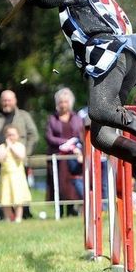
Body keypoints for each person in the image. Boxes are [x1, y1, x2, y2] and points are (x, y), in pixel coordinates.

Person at [31, 0, 136, 200]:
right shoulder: (110, 3)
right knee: (101, 136)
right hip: (129, 61)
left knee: (100, 110)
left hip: (108, 54)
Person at [0, 89, 39, 219]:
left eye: (9, 100)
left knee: (21, 189)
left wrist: (26, 153)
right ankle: (7, 217)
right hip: (0, 160)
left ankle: (24, 215)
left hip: (19, 162)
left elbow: (34, 135)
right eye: (4, 100)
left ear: (15, 101)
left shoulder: (24, 116)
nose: (6, 103)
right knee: (4, 189)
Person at [45, 88, 84, 217]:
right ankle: (60, 210)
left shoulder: (77, 118)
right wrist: (65, 143)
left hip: (73, 157)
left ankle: (72, 209)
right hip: (58, 156)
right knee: (59, 183)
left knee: (73, 183)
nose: (63, 105)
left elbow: (81, 136)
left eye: (66, 102)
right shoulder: (52, 119)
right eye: (61, 102)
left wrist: (73, 146)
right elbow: (49, 137)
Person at [0, 125, 31, 222]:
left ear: (18, 135)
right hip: (5, 176)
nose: (11, 137)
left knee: (18, 198)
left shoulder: (20, 146)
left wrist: (12, 147)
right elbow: (0, 158)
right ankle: (8, 218)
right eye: (9, 135)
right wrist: (7, 147)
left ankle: (18, 218)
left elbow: (21, 156)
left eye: (13, 134)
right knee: (5, 198)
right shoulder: (2, 147)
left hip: (17, 176)